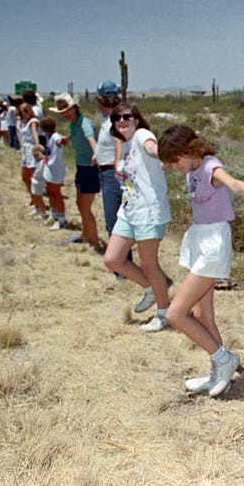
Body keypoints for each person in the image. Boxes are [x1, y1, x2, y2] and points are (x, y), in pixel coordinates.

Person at [157, 124, 244, 396]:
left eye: (176, 160)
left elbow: (235, 185)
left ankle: (224, 360)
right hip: (198, 238)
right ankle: (218, 369)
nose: (176, 167)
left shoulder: (210, 168)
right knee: (202, 314)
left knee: (175, 313)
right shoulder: (191, 169)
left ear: (189, 150)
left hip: (213, 242)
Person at [103, 102, 173, 333]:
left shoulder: (143, 135)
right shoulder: (124, 144)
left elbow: (152, 148)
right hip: (129, 210)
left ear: (136, 119)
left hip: (148, 211)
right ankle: (152, 288)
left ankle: (164, 313)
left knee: (150, 263)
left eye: (126, 117)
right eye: (116, 118)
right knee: (113, 259)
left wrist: (163, 153)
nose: (121, 121)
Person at [52, 92, 101, 249]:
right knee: (79, 204)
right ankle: (86, 234)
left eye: (67, 110)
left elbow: (91, 139)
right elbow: (75, 134)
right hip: (81, 168)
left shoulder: (85, 123)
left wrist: (96, 154)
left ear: (74, 108)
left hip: (90, 169)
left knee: (85, 208)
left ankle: (95, 243)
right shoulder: (74, 124)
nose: (65, 114)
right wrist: (67, 139)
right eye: (62, 112)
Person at [93, 81, 128, 278]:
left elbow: (118, 141)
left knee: (114, 221)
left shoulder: (116, 119)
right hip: (105, 172)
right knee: (114, 220)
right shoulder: (109, 118)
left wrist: (116, 164)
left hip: (112, 175)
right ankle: (120, 266)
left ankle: (121, 269)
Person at [39, 116, 68, 230]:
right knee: (50, 192)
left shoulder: (55, 137)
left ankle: (61, 220)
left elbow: (60, 141)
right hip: (49, 168)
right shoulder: (47, 137)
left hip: (56, 170)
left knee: (57, 194)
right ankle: (53, 214)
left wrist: (65, 139)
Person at [17, 103, 42, 211]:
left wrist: (37, 145)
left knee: (32, 177)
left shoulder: (33, 122)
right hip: (25, 150)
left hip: (31, 149)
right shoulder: (23, 123)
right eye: (22, 111)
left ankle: (37, 202)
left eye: (26, 111)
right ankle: (33, 198)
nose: (24, 113)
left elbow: (34, 133)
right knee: (25, 176)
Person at [29, 144, 48, 222]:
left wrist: (43, 156)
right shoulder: (36, 161)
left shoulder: (44, 161)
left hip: (40, 181)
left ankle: (43, 213)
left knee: (39, 198)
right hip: (34, 180)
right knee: (35, 196)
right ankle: (37, 209)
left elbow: (48, 160)